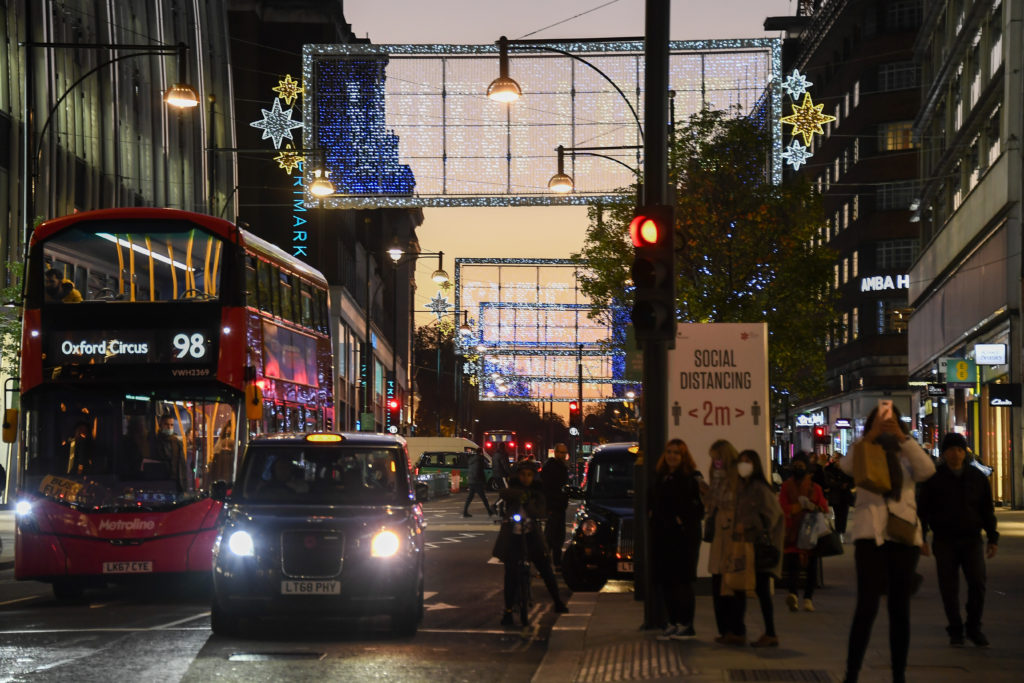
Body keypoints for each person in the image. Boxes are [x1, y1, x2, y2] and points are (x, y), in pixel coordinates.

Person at [839, 404, 935, 683]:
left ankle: (898, 674)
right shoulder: (864, 449)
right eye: (881, 421)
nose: (886, 425)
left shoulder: (906, 451)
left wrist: (904, 440)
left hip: (903, 536)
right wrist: (869, 437)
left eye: (891, 421)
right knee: (866, 606)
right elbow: (846, 467)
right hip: (871, 535)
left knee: (899, 608)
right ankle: (852, 672)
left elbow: (927, 471)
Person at [918, 432, 999, 648]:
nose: (957, 454)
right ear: (944, 453)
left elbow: (986, 510)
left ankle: (974, 627)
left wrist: (993, 537)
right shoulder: (934, 478)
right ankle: (955, 629)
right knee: (949, 587)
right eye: (952, 449)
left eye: (961, 450)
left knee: (978, 583)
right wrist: (922, 537)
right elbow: (923, 510)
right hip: (944, 540)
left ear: (965, 452)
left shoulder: (977, 478)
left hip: (972, 539)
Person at [494, 461, 568, 625]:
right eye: (522, 475)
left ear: (533, 477)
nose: (525, 478)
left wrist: (528, 502)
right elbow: (504, 493)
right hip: (513, 535)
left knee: (545, 567)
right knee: (510, 572)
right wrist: (519, 495)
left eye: (529, 475)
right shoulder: (513, 489)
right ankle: (507, 611)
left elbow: (539, 513)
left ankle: (558, 602)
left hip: (531, 535)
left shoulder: (538, 493)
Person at [650, 439, 705, 640]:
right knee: (667, 581)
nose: (672, 456)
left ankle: (686, 624)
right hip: (664, 536)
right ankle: (673, 621)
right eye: (669, 452)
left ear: (683, 457)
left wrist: (681, 521)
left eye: (677, 453)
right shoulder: (662, 477)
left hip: (682, 537)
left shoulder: (689, 478)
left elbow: (698, 508)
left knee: (682, 581)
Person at [735, 449, 784, 647]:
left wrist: (747, 525)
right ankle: (740, 630)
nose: (743, 465)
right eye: (741, 461)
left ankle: (770, 632)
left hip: (759, 547)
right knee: (743, 588)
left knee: (762, 590)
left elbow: (771, 516)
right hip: (747, 545)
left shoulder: (760, 488)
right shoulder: (743, 487)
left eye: (747, 461)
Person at [779, 451, 829, 612]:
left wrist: (810, 507)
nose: (798, 468)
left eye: (801, 465)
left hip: (802, 531)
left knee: (805, 566)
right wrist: (799, 507)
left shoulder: (814, 488)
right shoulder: (789, 487)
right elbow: (782, 507)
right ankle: (798, 595)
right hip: (800, 532)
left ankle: (805, 596)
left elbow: (823, 508)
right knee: (797, 566)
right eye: (796, 465)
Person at [705, 438, 743, 644]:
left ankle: (735, 629)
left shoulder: (736, 477)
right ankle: (725, 629)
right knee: (718, 584)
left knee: (731, 586)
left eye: (718, 459)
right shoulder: (716, 477)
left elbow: (731, 502)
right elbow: (712, 503)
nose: (716, 463)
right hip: (719, 538)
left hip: (732, 538)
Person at [541, 442, 570, 567]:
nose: (563, 455)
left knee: (557, 536)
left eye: (564, 452)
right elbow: (549, 487)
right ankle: (546, 562)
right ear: (556, 452)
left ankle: (555, 562)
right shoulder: (552, 467)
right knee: (552, 536)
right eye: (561, 452)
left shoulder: (560, 466)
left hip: (559, 505)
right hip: (553, 505)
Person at [151, 414, 190, 492]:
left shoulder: (176, 442)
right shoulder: (155, 442)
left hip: (175, 481)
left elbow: (181, 465)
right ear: (160, 425)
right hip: (159, 481)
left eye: (171, 425)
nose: (169, 427)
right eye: (166, 424)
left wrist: (184, 487)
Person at [825, 451, 855, 536]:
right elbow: (828, 482)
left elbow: (852, 481)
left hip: (845, 496)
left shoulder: (846, 469)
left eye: (838, 458)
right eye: (835, 458)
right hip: (835, 496)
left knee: (844, 514)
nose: (836, 460)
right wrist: (840, 485)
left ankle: (842, 530)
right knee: (838, 514)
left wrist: (847, 485)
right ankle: (838, 531)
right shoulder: (829, 469)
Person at [462, 449, 493, 517]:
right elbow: (480, 471)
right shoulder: (480, 459)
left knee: (470, 497)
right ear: (481, 453)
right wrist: (483, 481)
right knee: (483, 497)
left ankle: (465, 512)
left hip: (471, 480)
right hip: (477, 481)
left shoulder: (471, 459)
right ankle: (489, 511)